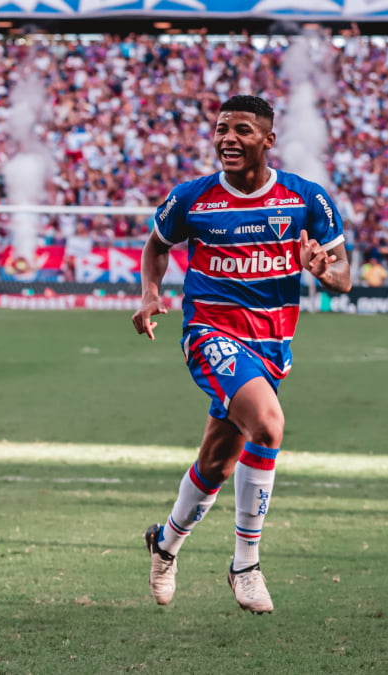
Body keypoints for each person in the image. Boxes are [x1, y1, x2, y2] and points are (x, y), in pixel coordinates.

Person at [132, 95, 351, 614]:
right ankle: (245, 565)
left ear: (268, 140)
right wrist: (149, 294)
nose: (228, 138)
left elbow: (343, 275)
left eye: (242, 130)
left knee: (217, 461)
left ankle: (165, 544)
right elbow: (156, 246)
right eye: (221, 129)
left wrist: (323, 270)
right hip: (210, 334)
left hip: (269, 346)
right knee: (269, 425)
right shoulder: (191, 198)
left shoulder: (305, 199)